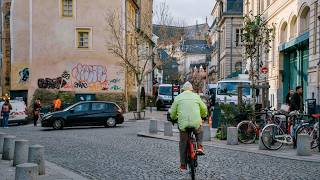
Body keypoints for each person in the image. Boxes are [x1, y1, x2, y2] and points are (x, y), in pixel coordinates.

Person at [169, 81, 208, 172]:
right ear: (191, 89)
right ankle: (199, 147)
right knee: (200, 131)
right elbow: (204, 108)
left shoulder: (178, 98)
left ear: (183, 90)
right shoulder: (196, 96)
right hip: (195, 122)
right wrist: (203, 115)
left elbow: (173, 112)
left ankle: (183, 164)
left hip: (183, 124)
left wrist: (173, 118)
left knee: (183, 143)